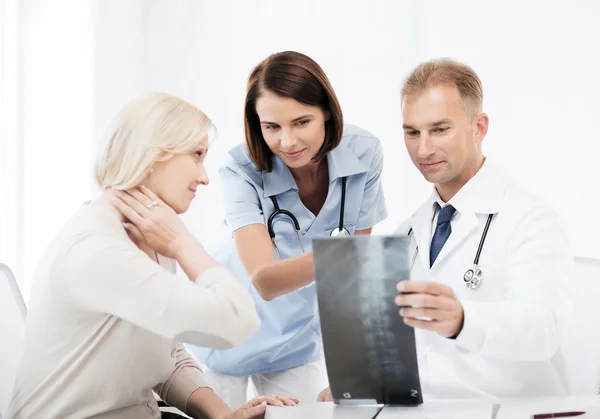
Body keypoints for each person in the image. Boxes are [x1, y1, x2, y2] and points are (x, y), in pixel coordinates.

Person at [7, 92, 296, 419]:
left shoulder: (148, 236)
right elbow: (237, 321)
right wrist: (185, 245)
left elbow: (167, 355)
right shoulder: (97, 249)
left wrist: (223, 415)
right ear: (152, 154)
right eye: (196, 155)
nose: (203, 177)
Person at [319, 58, 578, 400]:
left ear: (479, 127)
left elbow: (546, 328)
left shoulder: (530, 218)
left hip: (509, 408)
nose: (423, 149)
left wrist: (462, 319)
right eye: (412, 132)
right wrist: (354, 382)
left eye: (440, 129)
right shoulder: (407, 233)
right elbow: (406, 351)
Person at [186, 51, 388, 407]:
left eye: (301, 122)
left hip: (294, 339)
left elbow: (351, 282)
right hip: (224, 332)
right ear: (256, 124)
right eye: (272, 127)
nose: (288, 142)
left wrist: (351, 370)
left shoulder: (364, 153)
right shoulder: (240, 170)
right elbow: (264, 281)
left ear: (327, 110)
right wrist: (348, 258)